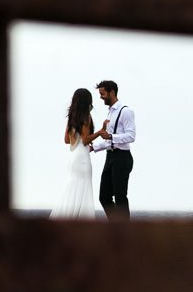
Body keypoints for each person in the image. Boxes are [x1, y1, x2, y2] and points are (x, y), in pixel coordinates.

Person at [52, 88, 106, 219]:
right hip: (82, 158)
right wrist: (100, 132)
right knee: (83, 189)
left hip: (73, 157)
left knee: (72, 188)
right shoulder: (86, 117)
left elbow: (66, 140)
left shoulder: (71, 117)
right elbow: (86, 139)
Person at [92, 79, 136, 220]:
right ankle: (116, 226)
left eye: (102, 93)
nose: (100, 97)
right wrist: (93, 147)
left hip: (122, 158)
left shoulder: (126, 111)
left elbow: (131, 136)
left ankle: (125, 231)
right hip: (110, 157)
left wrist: (111, 136)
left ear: (112, 92)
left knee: (120, 196)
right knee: (104, 197)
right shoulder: (110, 113)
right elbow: (109, 141)